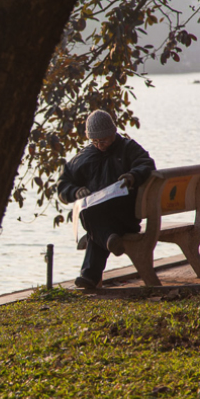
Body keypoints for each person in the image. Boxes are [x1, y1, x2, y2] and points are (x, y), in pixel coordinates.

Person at [57, 109, 156, 289]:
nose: (99, 145)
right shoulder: (84, 157)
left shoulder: (128, 148)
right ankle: (90, 276)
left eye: (103, 140)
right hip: (100, 217)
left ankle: (91, 271)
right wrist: (76, 191)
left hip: (125, 217)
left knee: (92, 223)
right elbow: (64, 184)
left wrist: (132, 176)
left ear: (113, 133)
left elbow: (146, 164)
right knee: (88, 211)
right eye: (94, 141)